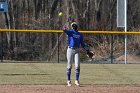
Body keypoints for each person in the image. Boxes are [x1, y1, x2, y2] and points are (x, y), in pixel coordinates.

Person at [63, 22, 90, 86]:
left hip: (77, 50)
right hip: (70, 50)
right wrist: (64, 28)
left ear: (77, 26)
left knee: (77, 66)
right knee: (69, 66)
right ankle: (69, 81)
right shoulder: (71, 32)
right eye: (73, 26)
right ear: (72, 27)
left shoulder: (80, 34)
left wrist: (87, 50)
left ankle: (76, 80)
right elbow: (65, 30)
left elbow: (82, 44)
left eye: (74, 25)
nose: (74, 26)